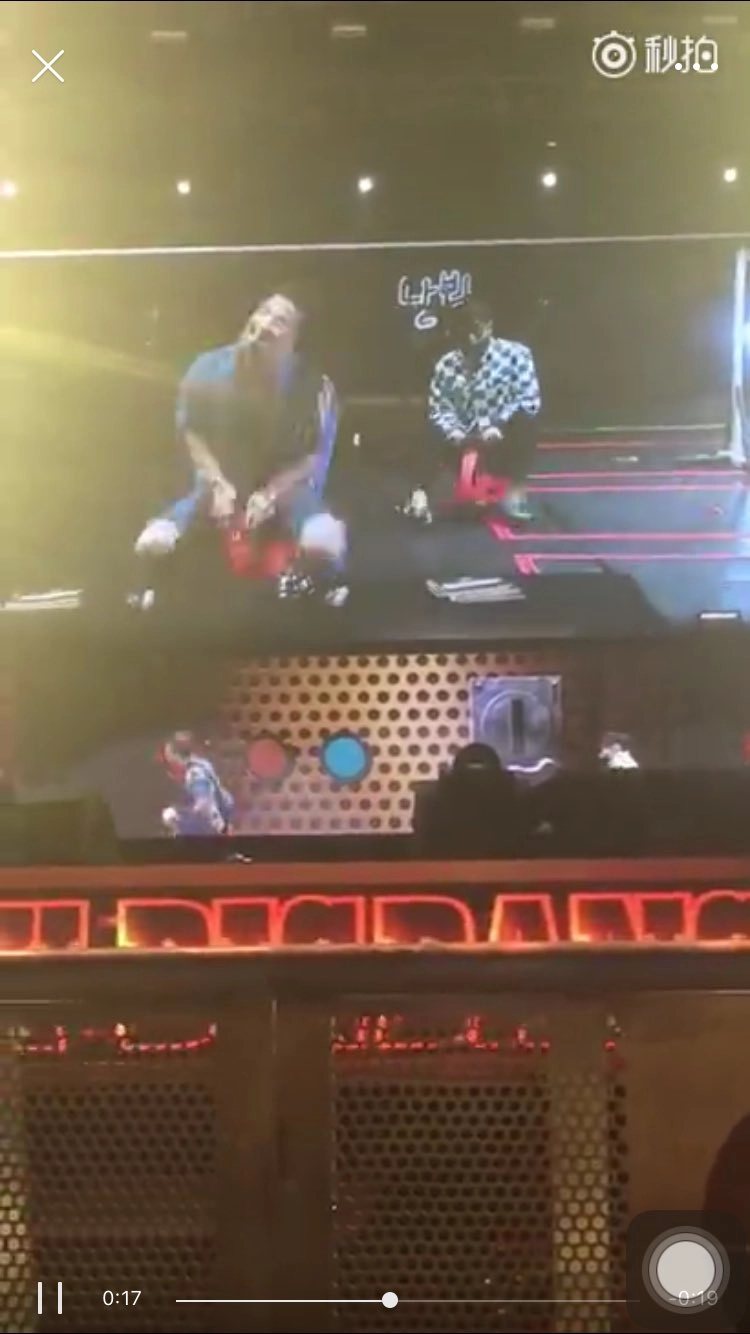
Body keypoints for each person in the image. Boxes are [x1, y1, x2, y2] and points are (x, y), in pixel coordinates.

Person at [135, 292, 348, 605]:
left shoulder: (315, 387)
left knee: (323, 540)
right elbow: (192, 432)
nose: (265, 323)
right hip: (221, 477)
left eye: (280, 321)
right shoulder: (206, 368)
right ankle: (152, 584)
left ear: (295, 340)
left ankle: (326, 587)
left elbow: (312, 457)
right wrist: (217, 484)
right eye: (263, 312)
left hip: (285, 485)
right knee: (155, 542)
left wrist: (271, 495)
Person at [403, 299, 541, 524]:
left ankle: (514, 493)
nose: (469, 337)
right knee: (427, 425)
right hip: (461, 438)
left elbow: (529, 400)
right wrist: (452, 430)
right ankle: (420, 494)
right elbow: (439, 407)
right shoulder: (445, 364)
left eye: (474, 329)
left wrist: (498, 425)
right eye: (463, 331)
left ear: (489, 326)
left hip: (501, 435)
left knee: (527, 422)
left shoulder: (517, 355)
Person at [159, 732, 235, 836]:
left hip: (210, 831)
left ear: (174, 753)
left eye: (168, 752)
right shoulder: (203, 764)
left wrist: (180, 818)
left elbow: (203, 806)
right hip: (217, 826)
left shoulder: (196, 773)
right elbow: (227, 800)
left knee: (169, 815)